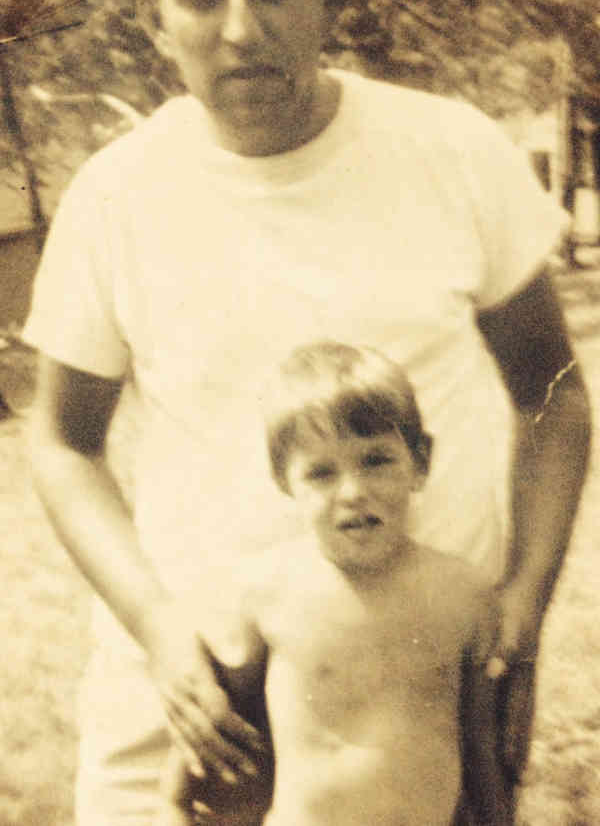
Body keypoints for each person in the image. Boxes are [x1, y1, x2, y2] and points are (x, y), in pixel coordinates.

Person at [23, 0, 590, 824]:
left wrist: (523, 605)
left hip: (405, 717)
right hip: (197, 708)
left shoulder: (451, 151)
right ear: (155, 18)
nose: (241, 27)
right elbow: (62, 442)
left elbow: (552, 393)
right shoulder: (116, 197)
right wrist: (157, 625)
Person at [156, 341, 514, 826]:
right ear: (285, 483)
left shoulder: (464, 595)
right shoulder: (269, 595)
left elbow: (481, 751)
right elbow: (207, 733)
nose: (353, 491)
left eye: (376, 460)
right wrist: (173, 807)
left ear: (421, 461)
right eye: (321, 473)